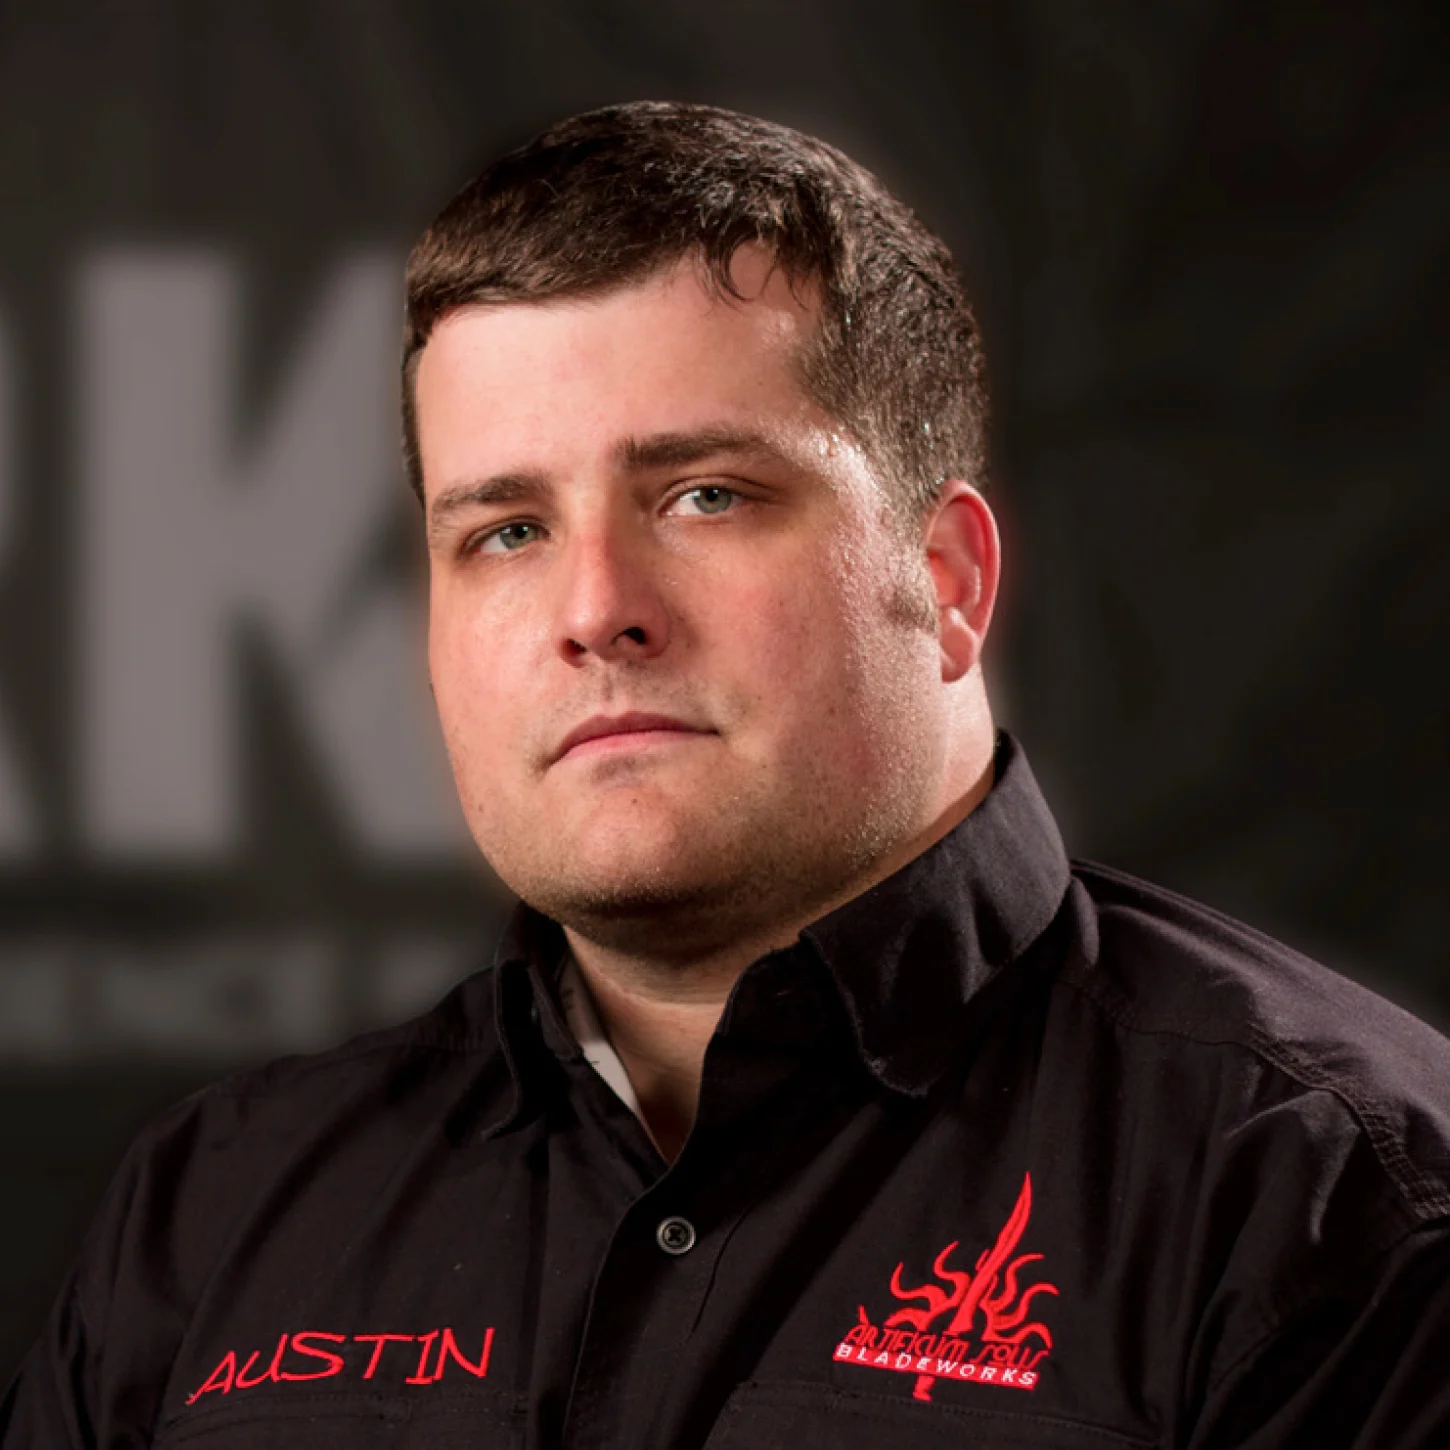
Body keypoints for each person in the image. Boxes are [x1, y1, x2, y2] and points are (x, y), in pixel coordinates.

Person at [4, 100, 1449, 1450]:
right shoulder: (213, 1214)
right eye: (505, 530)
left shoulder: (1325, 1201)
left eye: (705, 495)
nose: (595, 609)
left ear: (947, 579)